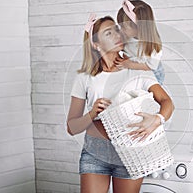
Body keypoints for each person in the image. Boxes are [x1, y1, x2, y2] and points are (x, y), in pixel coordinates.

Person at [67, 14, 174, 193]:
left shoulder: (137, 70)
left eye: (117, 30)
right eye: (108, 33)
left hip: (131, 152)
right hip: (95, 152)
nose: (117, 35)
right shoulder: (84, 78)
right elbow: (72, 127)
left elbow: (166, 101)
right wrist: (92, 113)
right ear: (95, 44)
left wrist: (157, 119)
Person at [116, 0, 165, 85]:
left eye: (124, 27)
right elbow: (125, 51)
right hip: (135, 68)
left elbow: (151, 66)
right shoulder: (128, 37)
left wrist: (129, 64)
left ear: (137, 27)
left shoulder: (153, 46)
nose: (121, 30)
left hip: (153, 73)